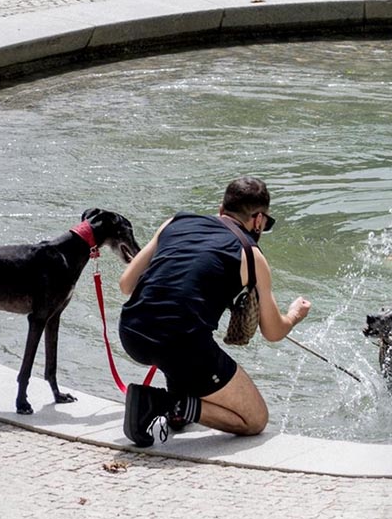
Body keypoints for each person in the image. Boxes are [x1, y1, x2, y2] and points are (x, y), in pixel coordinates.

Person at [118, 176, 312, 445]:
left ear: (222, 208)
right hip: (179, 345)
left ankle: (180, 404)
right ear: (258, 220)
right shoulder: (251, 254)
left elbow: (126, 284)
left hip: (131, 331)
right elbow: (273, 331)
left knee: (182, 334)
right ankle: (165, 403)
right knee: (255, 420)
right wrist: (294, 314)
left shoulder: (175, 223)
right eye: (266, 222)